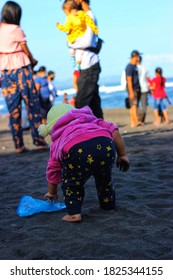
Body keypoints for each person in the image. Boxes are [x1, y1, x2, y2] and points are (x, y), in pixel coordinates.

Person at [38, 104, 129, 222]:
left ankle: (74, 214)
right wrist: (122, 155)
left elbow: (53, 168)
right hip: (105, 144)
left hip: (78, 150)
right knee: (104, 179)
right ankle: (108, 205)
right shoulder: (93, 121)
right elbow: (114, 131)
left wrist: (52, 192)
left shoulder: (58, 140)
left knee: (72, 183)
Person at [0, 1, 47, 153]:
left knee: (14, 110)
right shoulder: (16, 29)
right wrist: (32, 60)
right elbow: (25, 48)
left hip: (6, 73)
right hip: (21, 71)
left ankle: (18, 145)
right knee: (32, 106)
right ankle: (39, 141)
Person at [66, 0, 104, 119]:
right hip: (85, 67)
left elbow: (86, 41)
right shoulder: (77, 24)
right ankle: (101, 131)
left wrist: (72, 44)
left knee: (81, 102)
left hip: (90, 66)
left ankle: (86, 132)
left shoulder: (88, 19)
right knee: (93, 102)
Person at [56, 0, 99, 71]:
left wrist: (70, 44)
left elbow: (86, 43)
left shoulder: (88, 18)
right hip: (84, 66)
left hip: (89, 64)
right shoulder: (78, 20)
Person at [125, 50, 141, 127]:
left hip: (135, 87)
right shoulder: (129, 67)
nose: (139, 58)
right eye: (138, 56)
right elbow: (129, 80)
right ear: (135, 56)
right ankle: (135, 121)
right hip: (132, 88)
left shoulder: (135, 66)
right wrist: (131, 91)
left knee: (133, 105)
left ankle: (133, 122)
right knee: (134, 105)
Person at [137, 56, 149, 125]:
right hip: (145, 88)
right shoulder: (145, 68)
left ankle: (138, 119)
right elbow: (148, 78)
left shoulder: (135, 68)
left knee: (136, 105)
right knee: (144, 105)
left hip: (137, 88)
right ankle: (142, 121)